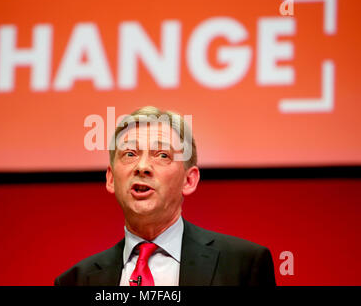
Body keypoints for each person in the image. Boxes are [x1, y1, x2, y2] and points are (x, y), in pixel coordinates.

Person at [54, 106, 276, 286]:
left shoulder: (244, 265)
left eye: (162, 155)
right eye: (130, 154)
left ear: (189, 180)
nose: (142, 167)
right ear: (111, 179)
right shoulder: (75, 281)